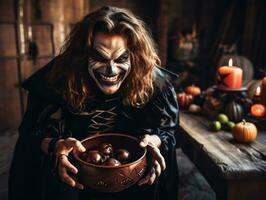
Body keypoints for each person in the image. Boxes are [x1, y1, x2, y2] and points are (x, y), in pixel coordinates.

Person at [8, 6, 179, 200]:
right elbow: (31, 131)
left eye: (122, 59)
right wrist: (55, 146)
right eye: (99, 58)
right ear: (82, 56)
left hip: (134, 174)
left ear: (135, 56)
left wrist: (154, 142)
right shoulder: (59, 76)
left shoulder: (154, 82)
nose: (111, 70)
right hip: (74, 173)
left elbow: (167, 130)